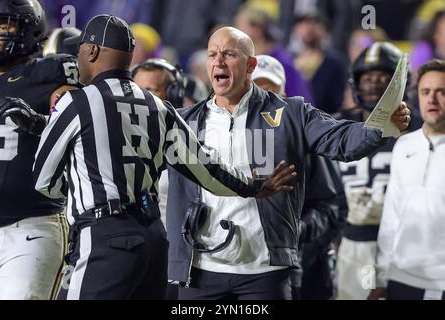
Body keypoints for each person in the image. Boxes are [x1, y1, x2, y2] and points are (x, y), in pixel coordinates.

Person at [31, 14, 295, 300]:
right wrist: (255, 187)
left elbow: (45, 180)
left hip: (104, 236)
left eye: (80, 51)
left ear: (92, 51)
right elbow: (208, 170)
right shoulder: (159, 106)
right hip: (154, 241)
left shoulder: (76, 102)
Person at [165, 26, 411, 300]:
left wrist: (377, 128)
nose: (218, 61)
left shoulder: (290, 114)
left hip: (264, 271)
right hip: (200, 270)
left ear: (250, 65)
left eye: (229, 54)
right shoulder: (184, 122)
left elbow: (341, 138)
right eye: (212, 54)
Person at [0, 0, 78, 300]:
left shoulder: (51, 71)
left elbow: (82, 117)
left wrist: (44, 120)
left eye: (5, 24)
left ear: (29, 28)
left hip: (30, 226)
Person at [252, 54, 348, 300]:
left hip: (304, 271)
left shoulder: (305, 139)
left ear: (284, 95)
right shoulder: (226, 139)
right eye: (257, 92)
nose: (265, 101)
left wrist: (300, 229)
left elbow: (332, 206)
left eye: (272, 92)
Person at [334, 42, 409, 300]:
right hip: (350, 241)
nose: (373, 84)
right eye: (367, 77)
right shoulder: (337, 126)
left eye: (382, 77)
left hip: (405, 243)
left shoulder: (419, 128)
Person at [370, 59, 445, 300]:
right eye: (426, 92)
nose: (432, 99)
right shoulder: (403, 145)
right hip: (402, 276)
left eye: (441, 91)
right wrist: (381, 275)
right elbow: (392, 215)